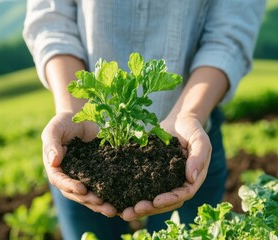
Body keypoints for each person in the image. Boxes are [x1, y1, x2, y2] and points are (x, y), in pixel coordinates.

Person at [23, 1, 265, 239]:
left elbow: (229, 35)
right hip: (81, 144)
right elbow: (51, 21)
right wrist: (72, 110)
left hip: (188, 147)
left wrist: (189, 114)